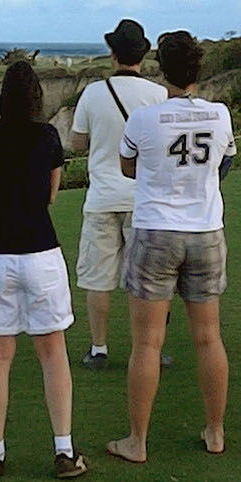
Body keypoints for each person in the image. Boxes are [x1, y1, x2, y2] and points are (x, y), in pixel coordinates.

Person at [111, 29, 235, 460]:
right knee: (208, 338)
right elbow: (224, 163)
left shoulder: (144, 118)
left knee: (147, 343)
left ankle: (137, 441)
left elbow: (128, 165)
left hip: (155, 231)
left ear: (161, 69)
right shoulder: (220, 115)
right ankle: (216, 433)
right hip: (205, 231)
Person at [0, 56, 86, 479]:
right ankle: (64, 450)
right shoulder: (48, 137)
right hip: (40, 252)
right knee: (53, 352)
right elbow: (51, 196)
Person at [66, 20, 161, 371]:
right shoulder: (157, 95)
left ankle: (99, 347)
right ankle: (148, 348)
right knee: (146, 281)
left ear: (113, 53)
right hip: (145, 200)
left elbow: (77, 142)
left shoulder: (93, 93)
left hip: (103, 197)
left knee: (98, 278)